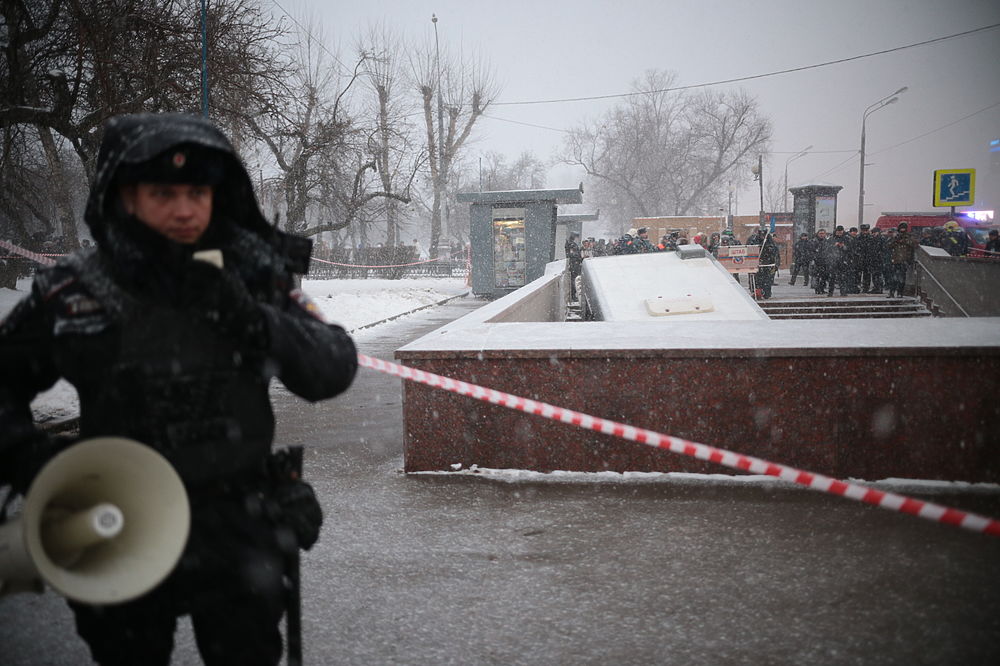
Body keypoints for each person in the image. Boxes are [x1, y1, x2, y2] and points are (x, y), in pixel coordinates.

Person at [0, 113, 358, 665]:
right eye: (163, 192)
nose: (185, 209)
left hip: (239, 525)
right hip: (117, 522)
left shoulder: (255, 277)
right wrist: (35, 462)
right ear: (125, 197)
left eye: (197, 191)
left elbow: (333, 367)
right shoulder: (74, 292)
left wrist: (257, 322)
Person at [887, 220, 918, 298]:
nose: (902, 229)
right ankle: (891, 292)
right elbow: (888, 246)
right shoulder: (895, 236)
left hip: (904, 260)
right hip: (895, 260)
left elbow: (914, 244)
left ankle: (900, 293)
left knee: (902, 278)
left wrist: (904, 240)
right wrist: (896, 240)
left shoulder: (909, 236)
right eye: (901, 228)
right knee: (893, 278)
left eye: (904, 228)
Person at [756, 233, 780, 299]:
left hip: (769, 265)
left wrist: (776, 265)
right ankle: (759, 293)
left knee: (768, 281)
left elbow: (776, 255)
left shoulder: (772, 245)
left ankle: (767, 293)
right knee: (759, 281)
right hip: (760, 266)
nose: (762, 237)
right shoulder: (756, 243)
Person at [565, 231, 583, 300]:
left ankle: (573, 294)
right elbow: (572, 254)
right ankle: (573, 295)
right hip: (574, 264)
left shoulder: (571, 244)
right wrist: (579, 258)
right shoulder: (571, 244)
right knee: (573, 280)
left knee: (574, 279)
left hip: (575, 264)